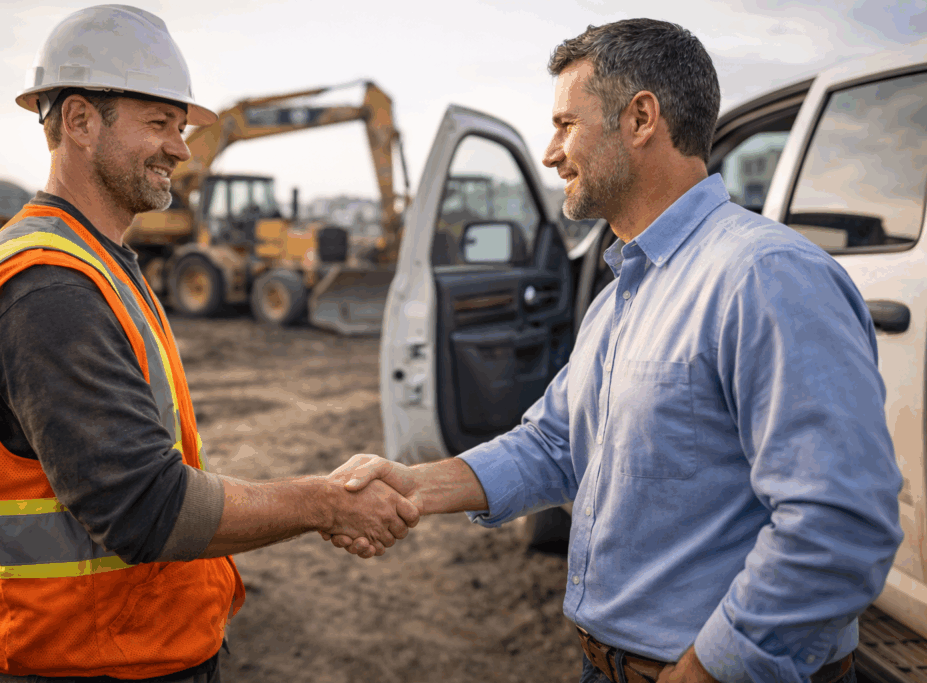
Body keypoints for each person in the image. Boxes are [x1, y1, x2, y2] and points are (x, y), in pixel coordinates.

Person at [325, 18, 904, 683]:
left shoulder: (765, 277)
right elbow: (554, 443)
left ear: (640, 118)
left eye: (566, 124)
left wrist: (712, 668)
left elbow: (840, 522)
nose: (550, 152)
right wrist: (417, 484)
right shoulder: (624, 291)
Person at [0, 6, 418, 682]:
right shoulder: (48, 287)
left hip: (114, 643)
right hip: (80, 657)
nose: (182, 148)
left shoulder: (94, 262)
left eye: (182, 127)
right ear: (79, 121)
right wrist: (327, 501)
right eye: (160, 124)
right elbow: (146, 507)